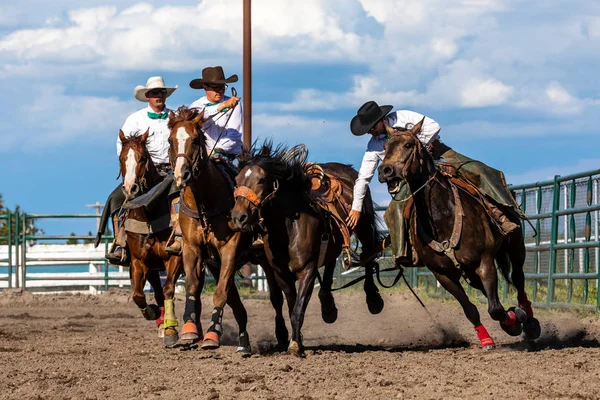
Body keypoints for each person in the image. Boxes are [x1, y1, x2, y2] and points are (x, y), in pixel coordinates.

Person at [346, 100, 520, 265]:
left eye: (372, 127)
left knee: (480, 172)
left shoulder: (403, 117)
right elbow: (363, 178)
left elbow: (433, 126)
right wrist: (356, 207)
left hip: (438, 154)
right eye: (368, 129)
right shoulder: (373, 146)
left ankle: (503, 214)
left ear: (382, 120)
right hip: (409, 177)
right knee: (394, 211)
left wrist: (417, 147)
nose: (370, 132)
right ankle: (403, 253)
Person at [100, 76, 181, 265]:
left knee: (185, 197)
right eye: (154, 93)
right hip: (143, 172)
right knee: (116, 199)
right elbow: (123, 149)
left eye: (161, 92)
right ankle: (120, 241)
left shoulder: (175, 117)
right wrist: (132, 172)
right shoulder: (135, 119)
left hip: (171, 171)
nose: (158, 96)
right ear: (148, 96)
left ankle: (184, 238)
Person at [189, 66, 243, 160]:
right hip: (203, 157)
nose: (220, 91)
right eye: (215, 88)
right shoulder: (196, 106)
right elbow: (200, 116)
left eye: (222, 87)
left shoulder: (235, 104)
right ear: (205, 87)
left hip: (230, 156)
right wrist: (223, 106)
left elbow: (234, 133)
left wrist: (216, 150)